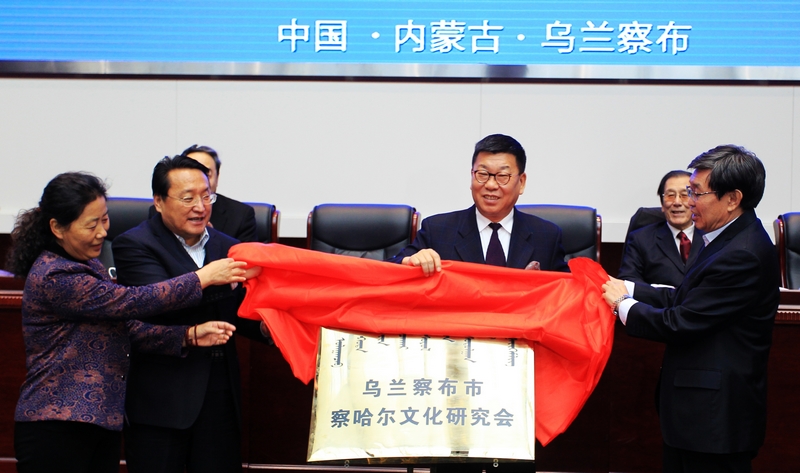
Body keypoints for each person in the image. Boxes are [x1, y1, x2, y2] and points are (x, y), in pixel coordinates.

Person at [6, 172, 246, 473]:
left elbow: (125, 328)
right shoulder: (56, 275)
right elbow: (132, 301)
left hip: (100, 421)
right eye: (91, 225)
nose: (102, 233)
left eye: (104, 220)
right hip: (57, 425)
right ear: (57, 228)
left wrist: (188, 335)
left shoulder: (88, 264)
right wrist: (202, 277)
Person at [602, 145, 779, 473]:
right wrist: (629, 288)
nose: (688, 202)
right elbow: (685, 298)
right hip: (698, 418)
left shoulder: (742, 253)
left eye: (696, 192)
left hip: (714, 421)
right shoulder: (722, 239)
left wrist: (622, 304)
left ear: (732, 199)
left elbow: (680, 322)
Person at [113, 155, 272, 473]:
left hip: (219, 392)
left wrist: (270, 328)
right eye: (188, 198)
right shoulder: (134, 244)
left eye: (206, 196)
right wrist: (211, 277)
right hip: (161, 400)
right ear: (159, 201)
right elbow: (158, 301)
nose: (200, 207)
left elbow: (237, 310)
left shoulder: (229, 247)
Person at [389, 133, 568, 277]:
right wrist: (410, 261)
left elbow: (567, 290)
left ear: (521, 182)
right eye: (482, 174)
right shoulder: (437, 230)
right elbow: (389, 269)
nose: (490, 185)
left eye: (502, 176)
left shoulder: (546, 236)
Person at [618, 170, 705, 286]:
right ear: (662, 205)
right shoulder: (641, 239)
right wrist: (664, 293)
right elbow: (628, 281)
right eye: (670, 195)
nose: (677, 202)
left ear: (695, 201)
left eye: (684, 195)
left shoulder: (711, 236)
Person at [181, 144, 257, 242]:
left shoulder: (241, 216)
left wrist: (213, 239)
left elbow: (243, 251)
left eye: (206, 174)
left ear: (217, 178)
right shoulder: (164, 212)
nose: (199, 181)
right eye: (192, 174)